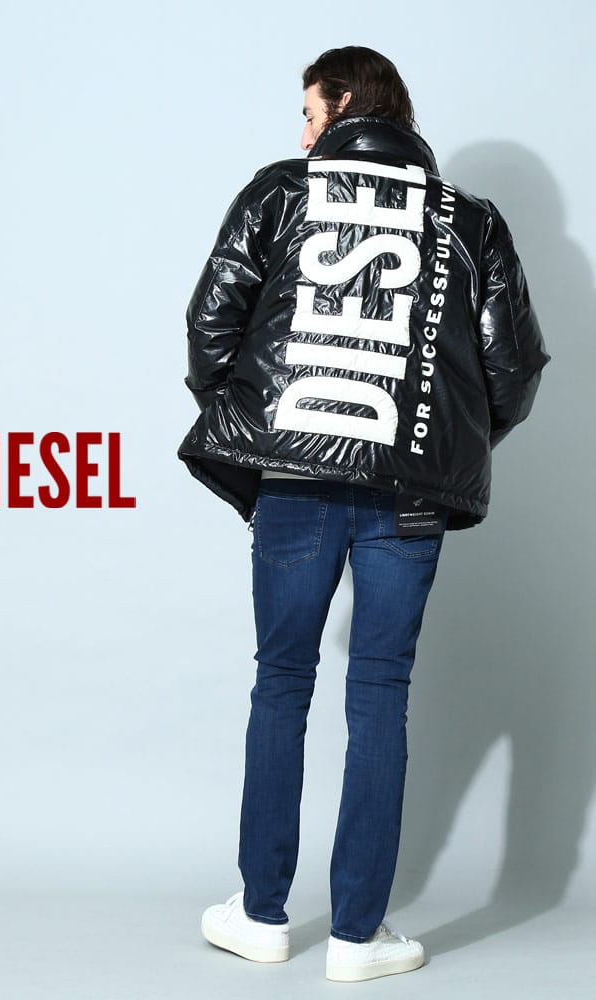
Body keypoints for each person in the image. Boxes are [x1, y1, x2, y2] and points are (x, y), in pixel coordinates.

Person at [177, 45, 549, 983]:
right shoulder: (471, 221)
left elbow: (210, 324)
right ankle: (356, 936)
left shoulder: (282, 192)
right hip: (410, 495)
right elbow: (512, 372)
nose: (304, 135)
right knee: (381, 692)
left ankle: (261, 915)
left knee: (281, 682)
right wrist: (443, 442)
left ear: (346, 103)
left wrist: (255, 426)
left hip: (295, 485)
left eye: (310, 113)